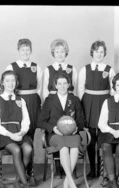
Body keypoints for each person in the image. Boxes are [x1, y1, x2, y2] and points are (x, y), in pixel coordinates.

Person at [38, 73, 86, 188]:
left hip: (72, 134)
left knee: (75, 144)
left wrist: (77, 128)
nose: (62, 86)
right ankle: (71, 181)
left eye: (65, 83)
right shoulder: (49, 100)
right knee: (63, 147)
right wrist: (53, 128)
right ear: (55, 85)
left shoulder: (74, 100)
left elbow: (81, 119)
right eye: (59, 83)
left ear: (69, 84)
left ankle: (66, 182)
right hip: (55, 134)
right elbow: (41, 121)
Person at [0, 70, 33, 188]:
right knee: (16, 149)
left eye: (13, 80)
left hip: (19, 130)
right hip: (2, 133)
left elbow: (26, 120)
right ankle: (25, 185)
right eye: (7, 80)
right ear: (2, 82)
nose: (10, 83)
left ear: (16, 82)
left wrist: (23, 131)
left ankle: (17, 181)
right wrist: (10, 135)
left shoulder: (20, 100)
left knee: (28, 149)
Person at [78, 40, 116, 180]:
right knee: (90, 137)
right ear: (92, 52)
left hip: (104, 102)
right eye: (96, 51)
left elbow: (113, 90)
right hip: (89, 103)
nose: (99, 54)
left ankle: (103, 168)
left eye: (101, 52)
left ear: (104, 53)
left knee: (102, 135)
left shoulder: (109, 69)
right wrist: (85, 105)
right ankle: (92, 169)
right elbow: (81, 89)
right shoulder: (85, 69)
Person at [42, 38, 79, 178]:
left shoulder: (71, 68)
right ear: (53, 53)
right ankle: (58, 168)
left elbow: (74, 89)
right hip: (54, 104)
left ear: (66, 53)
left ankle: (69, 168)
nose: (59, 54)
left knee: (68, 131)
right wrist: (50, 104)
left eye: (62, 51)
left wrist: (72, 104)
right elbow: (45, 90)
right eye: (57, 51)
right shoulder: (48, 69)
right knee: (57, 132)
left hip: (68, 104)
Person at [6, 38, 43, 140]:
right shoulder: (12, 66)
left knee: (32, 124)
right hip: (18, 99)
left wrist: (36, 99)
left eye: (27, 49)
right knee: (19, 124)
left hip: (33, 100)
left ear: (31, 51)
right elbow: (7, 85)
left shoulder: (36, 67)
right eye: (22, 50)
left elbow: (39, 86)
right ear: (18, 51)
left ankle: (30, 151)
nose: (25, 52)